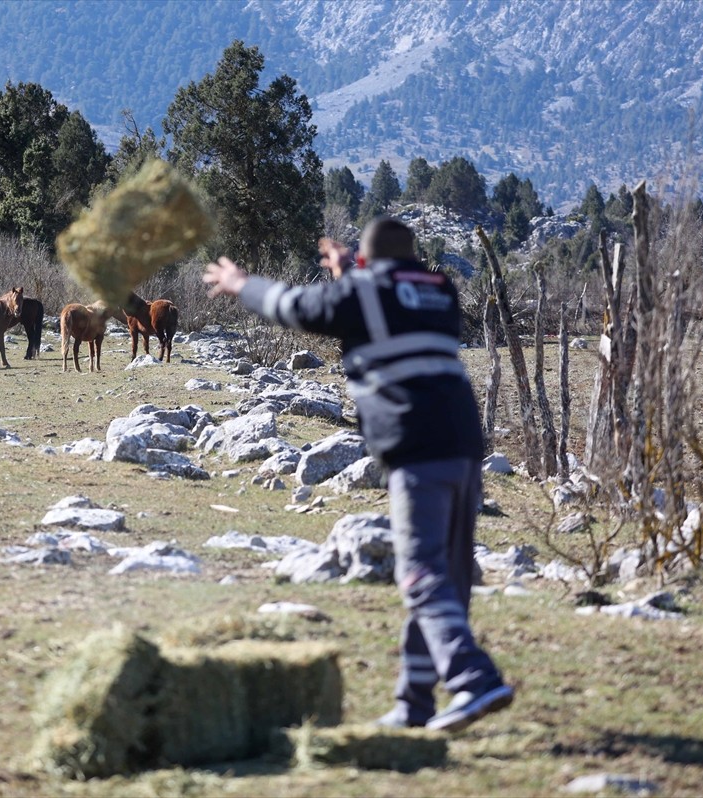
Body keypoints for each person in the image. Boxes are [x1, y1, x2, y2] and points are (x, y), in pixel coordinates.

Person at [202, 217, 513, 732]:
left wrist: (240, 284)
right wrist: (355, 270)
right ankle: (414, 704)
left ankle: (473, 678)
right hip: (463, 444)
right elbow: (389, 297)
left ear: (367, 263)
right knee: (446, 577)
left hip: (416, 446)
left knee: (419, 574)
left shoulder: (361, 292)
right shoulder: (440, 291)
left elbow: (294, 307)